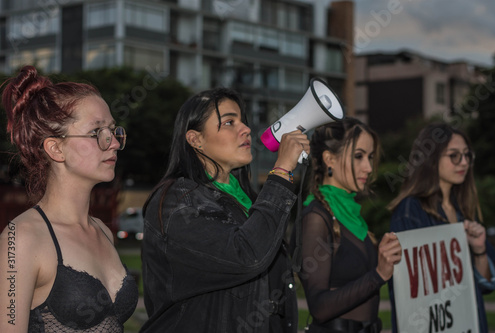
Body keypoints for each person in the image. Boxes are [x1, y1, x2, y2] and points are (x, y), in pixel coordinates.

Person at [139, 87, 309, 333]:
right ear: (195, 140)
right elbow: (246, 256)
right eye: (229, 122)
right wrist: (282, 170)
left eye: (242, 121)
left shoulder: (246, 199)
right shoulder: (178, 201)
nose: (246, 129)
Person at [0, 65, 138, 332]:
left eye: (113, 130)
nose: (114, 143)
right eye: (97, 132)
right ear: (55, 148)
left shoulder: (101, 231)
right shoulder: (21, 239)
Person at [291, 118, 402, 333]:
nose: (368, 167)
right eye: (359, 156)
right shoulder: (316, 217)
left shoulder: (350, 213)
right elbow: (319, 307)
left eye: (370, 157)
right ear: (329, 159)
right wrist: (378, 274)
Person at [387, 122, 495, 333]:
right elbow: (405, 293)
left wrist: (480, 251)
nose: (464, 162)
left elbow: (485, 286)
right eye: (454, 155)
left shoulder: (463, 210)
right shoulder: (410, 211)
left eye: (467, 155)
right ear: (431, 159)